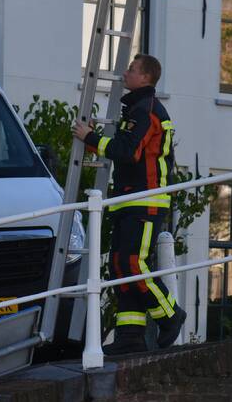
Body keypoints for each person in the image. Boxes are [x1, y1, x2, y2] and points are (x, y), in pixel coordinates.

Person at [71, 53, 186, 355]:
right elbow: (129, 145)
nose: (126, 73)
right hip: (130, 198)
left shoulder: (145, 110)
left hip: (145, 199)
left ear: (146, 77)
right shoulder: (138, 109)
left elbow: (128, 151)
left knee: (134, 263)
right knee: (120, 267)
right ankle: (129, 338)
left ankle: (171, 316)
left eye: (132, 70)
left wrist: (91, 138)